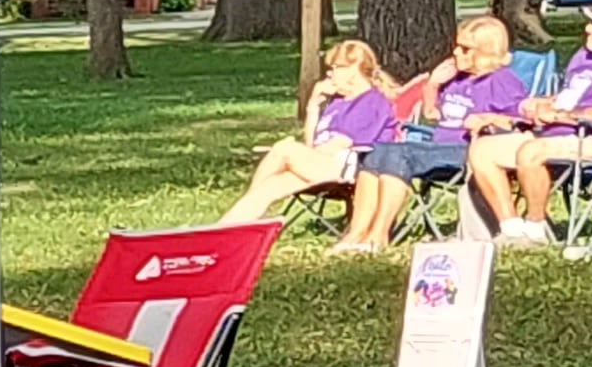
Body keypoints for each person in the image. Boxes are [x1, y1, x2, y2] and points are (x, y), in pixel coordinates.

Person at [463, 3, 592, 240]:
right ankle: (512, 229)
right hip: (557, 130)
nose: (588, 29)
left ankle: (536, 228)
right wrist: (540, 104)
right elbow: (568, 96)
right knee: (483, 150)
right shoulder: (585, 55)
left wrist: (565, 116)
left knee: (531, 152)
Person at [333, 18, 529, 252]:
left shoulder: (501, 81)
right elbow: (431, 114)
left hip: (468, 151)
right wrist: (432, 85)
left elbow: (522, 120)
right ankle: (356, 234)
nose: (456, 52)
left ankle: (379, 236)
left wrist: (490, 119)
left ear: (486, 52)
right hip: (438, 147)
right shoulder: (457, 80)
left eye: (465, 48)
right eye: (456, 46)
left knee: (399, 155)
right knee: (376, 150)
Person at [222, 40, 399, 225]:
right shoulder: (338, 102)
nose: (329, 74)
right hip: (325, 164)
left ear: (352, 70)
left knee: (284, 148)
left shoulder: (371, 102)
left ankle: (240, 225)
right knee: (268, 188)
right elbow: (312, 144)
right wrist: (313, 105)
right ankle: (227, 229)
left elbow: (338, 145)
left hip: (352, 169)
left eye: (335, 67)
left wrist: (298, 154)